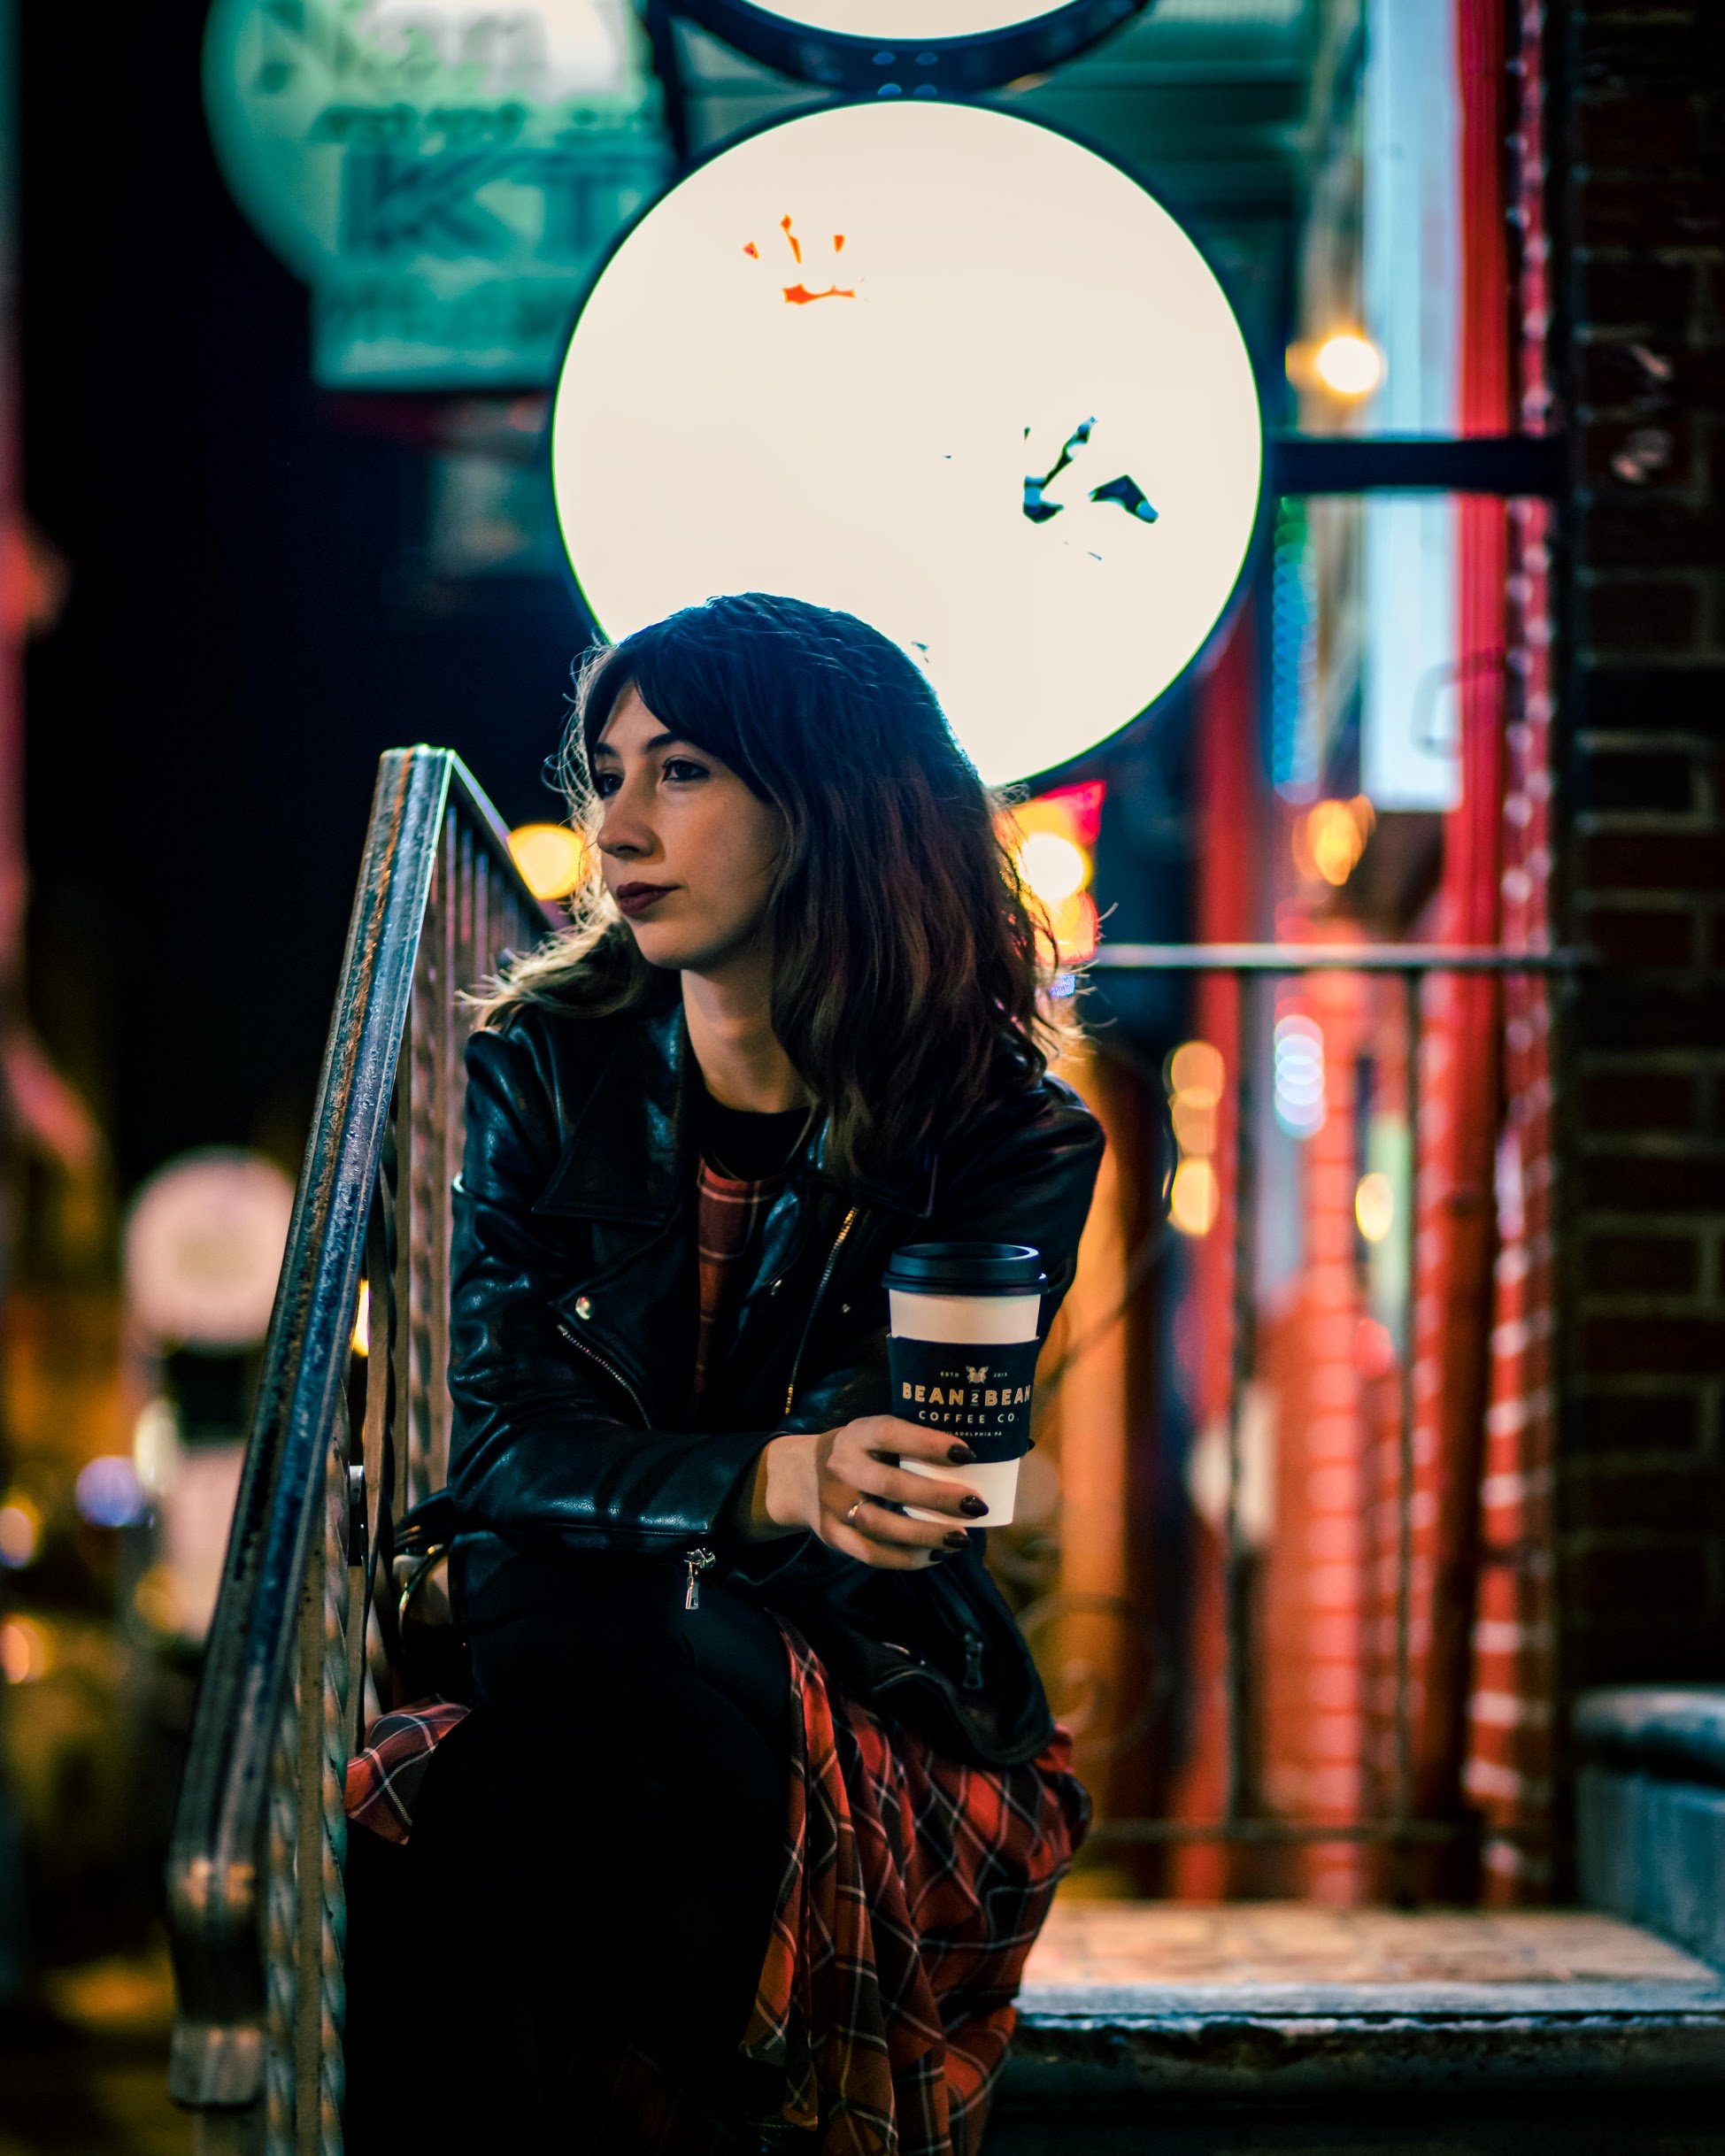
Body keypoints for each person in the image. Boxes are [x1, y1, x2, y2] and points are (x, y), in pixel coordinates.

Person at [343, 591, 1105, 2155]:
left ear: (825, 799)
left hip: (843, 1675)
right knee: (463, 1809)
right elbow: (495, 1441)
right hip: (591, 1655)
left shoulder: (1007, 1137)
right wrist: (768, 1477)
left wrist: (814, 1489)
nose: (613, 825)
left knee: (510, 1697)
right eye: (604, 771)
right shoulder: (541, 1065)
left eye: (677, 772)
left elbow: (906, 1482)